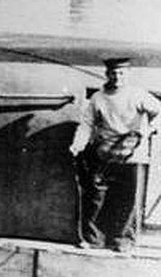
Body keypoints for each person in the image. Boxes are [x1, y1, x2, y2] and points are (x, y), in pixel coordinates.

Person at [69, 57, 161, 252]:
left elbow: (159, 112)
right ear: (107, 74)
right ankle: (94, 239)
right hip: (104, 153)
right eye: (113, 73)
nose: (117, 77)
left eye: (121, 73)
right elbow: (87, 124)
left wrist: (147, 130)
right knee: (96, 197)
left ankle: (123, 240)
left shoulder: (138, 94)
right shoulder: (98, 98)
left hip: (132, 155)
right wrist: (78, 144)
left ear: (128, 74)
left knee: (127, 199)